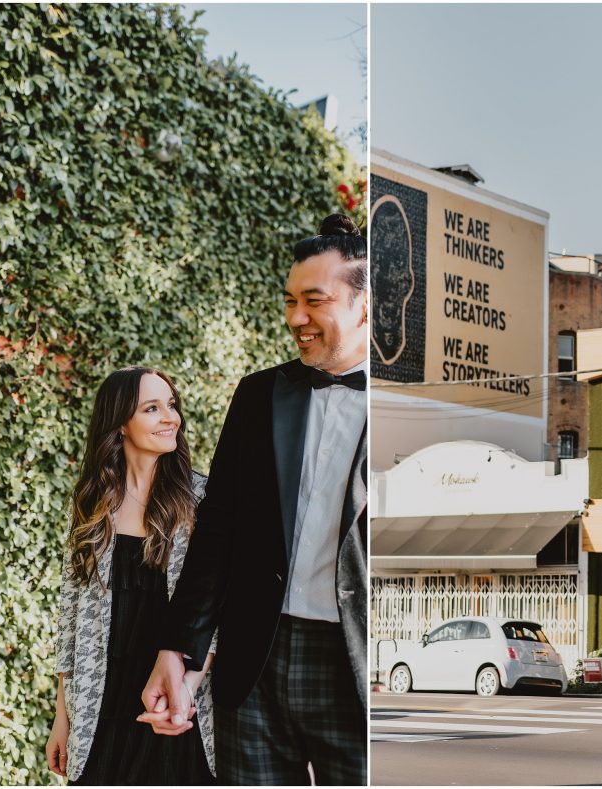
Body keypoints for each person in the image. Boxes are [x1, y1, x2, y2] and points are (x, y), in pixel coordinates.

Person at [139, 214, 368, 785]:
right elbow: (219, 532)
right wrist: (179, 649)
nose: (296, 318)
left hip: (356, 666)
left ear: (367, 306)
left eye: (314, 301)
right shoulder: (259, 394)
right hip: (255, 661)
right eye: (290, 300)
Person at [46, 367, 215, 784]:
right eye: (152, 408)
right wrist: (61, 716)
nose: (170, 418)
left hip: (177, 700)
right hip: (101, 702)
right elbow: (70, 619)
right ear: (120, 422)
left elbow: (218, 615)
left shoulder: (202, 500)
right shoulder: (92, 501)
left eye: (171, 406)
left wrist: (185, 694)